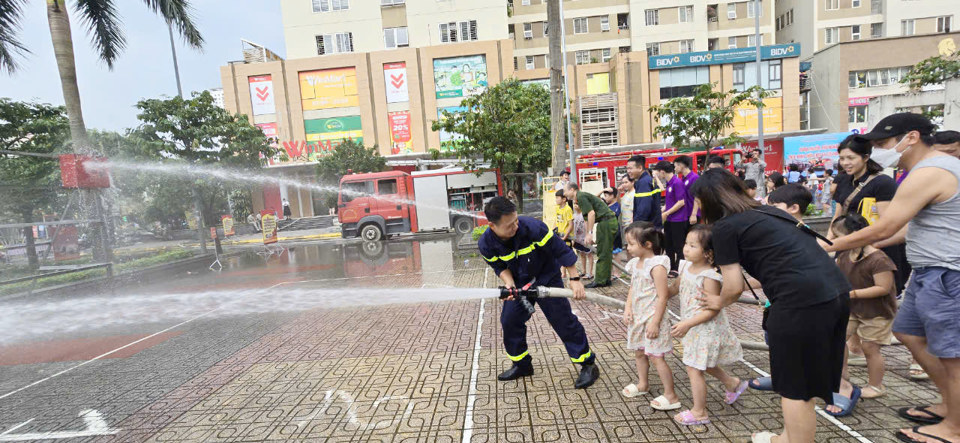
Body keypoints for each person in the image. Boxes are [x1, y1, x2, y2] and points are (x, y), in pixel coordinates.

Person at [824, 113, 960, 443]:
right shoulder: (922, 171)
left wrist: (828, 246)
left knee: (950, 354)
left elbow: (886, 226)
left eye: (883, 144)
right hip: (929, 270)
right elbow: (903, 231)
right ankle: (949, 405)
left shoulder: (931, 171)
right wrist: (862, 246)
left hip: (947, 272)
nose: (881, 151)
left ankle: (955, 428)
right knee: (908, 333)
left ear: (911, 137)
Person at [693, 169, 851, 443]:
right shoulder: (771, 212)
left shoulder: (726, 227)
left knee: (796, 388)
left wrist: (718, 301)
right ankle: (786, 437)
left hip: (799, 304)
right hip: (835, 293)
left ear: (708, 201)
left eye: (697, 200)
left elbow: (733, 286)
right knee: (806, 381)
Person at [477, 197, 600, 389]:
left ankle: (587, 363)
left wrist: (575, 280)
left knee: (562, 319)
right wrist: (509, 285)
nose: (516, 226)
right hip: (520, 282)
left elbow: (560, 251)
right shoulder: (486, 243)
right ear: (492, 226)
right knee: (510, 320)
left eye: (516, 220)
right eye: (509, 225)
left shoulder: (533, 228)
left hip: (546, 276)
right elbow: (499, 267)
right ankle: (522, 364)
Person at [669, 225, 748, 426]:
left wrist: (686, 324)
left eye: (693, 245)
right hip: (693, 326)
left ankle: (699, 412)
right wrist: (659, 294)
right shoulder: (685, 265)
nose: (686, 248)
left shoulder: (710, 276)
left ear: (708, 253)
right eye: (686, 243)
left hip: (704, 326)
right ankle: (732, 383)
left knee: (694, 368)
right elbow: (676, 287)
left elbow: (713, 309)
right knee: (703, 362)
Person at [823, 214, 898, 417]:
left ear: (855, 236)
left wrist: (852, 293)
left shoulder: (878, 258)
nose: (834, 239)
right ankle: (842, 376)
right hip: (853, 308)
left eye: (838, 236)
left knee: (870, 348)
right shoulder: (844, 255)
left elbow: (883, 288)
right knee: (837, 338)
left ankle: (876, 386)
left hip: (877, 312)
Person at [830, 135, 909, 296]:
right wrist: (830, 242)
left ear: (866, 157)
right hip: (847, 247)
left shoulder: (882, 183)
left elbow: (887, 223)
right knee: (847, 295)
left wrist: (871, 246)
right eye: (842, 158)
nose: (845, 163)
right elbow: (837, 217)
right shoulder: (844, 181)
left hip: (875, 249)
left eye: (851, 158)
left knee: (878, 299)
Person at [620, 222, 680, 412]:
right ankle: (643, 384)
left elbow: (663, 296)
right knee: (639, 352)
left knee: (656, 356)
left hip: (653, 318)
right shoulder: (636, 264)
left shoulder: (657, 265)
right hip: (638, 318)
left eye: (631, 244)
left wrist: (655, 322)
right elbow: (633, 288)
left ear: (647, 244)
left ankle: (671, 395)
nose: (627, 248)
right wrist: (628, 308)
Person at [565, 182, 618, 288]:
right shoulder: (580, 197)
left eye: (565, 190)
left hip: (606, 223)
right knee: (605, 252)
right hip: (607, 222)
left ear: (572, 190)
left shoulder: (580, 196)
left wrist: (589, 233)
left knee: (602, 252)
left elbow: (591, 213)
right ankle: (606, 279)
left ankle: (600, 281)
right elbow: (587, 218)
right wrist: (587, 234)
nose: (564, 193)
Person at [651, 161, 689, 274]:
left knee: (679, 246)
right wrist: (664, 209)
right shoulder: (669, 183)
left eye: (657, 173)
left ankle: (678, 268)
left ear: (662, 172)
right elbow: (670, 201)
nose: (657, 175)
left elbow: (681, 202)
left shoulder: (677, 182)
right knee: (669, 244)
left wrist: (667, 213)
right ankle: (671, 266)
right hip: (670, 219)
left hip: (679, 219)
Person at [626, 155, 662, 229]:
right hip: (654, 226)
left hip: (646, 229)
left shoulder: (643, 183)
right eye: (627, 169)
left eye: (630, 168)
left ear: (640, 168)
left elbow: (644, 209)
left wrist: (636, 226)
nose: (628, 171)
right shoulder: (649, 180)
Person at [674, 155, 700, 225]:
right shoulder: (683, 179)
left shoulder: (694, 177)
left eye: (675, 166)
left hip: (694, 215)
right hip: (686, 214)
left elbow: (697, 196)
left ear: (681, 166)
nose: (675, 169)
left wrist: (694, 214)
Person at [571, 200, 594, 280]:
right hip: (578, 238)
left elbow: (588, 225)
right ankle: (584, 271)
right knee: (582, 254)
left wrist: (589, 236)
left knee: (589, 254)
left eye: (577, 204)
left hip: (585, 238)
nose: (576, 205)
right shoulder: (574, 215)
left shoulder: (584, 215)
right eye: (574, 204)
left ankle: (590, 273)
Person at [555, 190, 574, 277]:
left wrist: (566, 236)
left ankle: (572, 274)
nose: (556, 199)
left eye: (557, 198)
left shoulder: (568, 209)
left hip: (566, 237)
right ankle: (563, 273)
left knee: (567, 255)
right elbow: (556, 221)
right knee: (559, 254)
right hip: (559, 235)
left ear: (564, 199)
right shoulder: (557, 208)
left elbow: (571, 225)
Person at [601, 187, 622, 251]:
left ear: (612, 196)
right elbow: (595, 197)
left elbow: (612, 214)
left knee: (615, 252)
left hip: (613, 230)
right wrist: (603, 190)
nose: (604, 198)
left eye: (606, 196)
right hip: (606, 231)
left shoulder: (616, 205)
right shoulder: (607, 204)